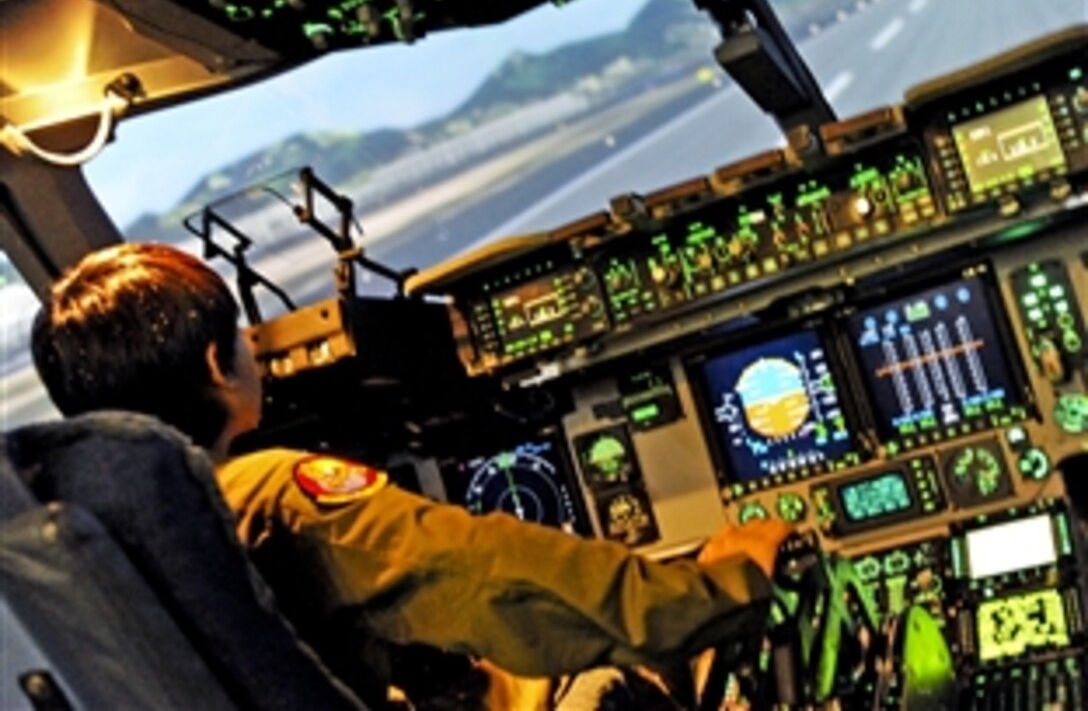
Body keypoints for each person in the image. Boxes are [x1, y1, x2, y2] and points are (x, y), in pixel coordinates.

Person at [31, 242, 791, 707]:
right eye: (238, 334)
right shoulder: (272, 495)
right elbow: (499, 576)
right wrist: (728, 581)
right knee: (636, 678)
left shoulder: (79, 551)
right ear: (214, 367)